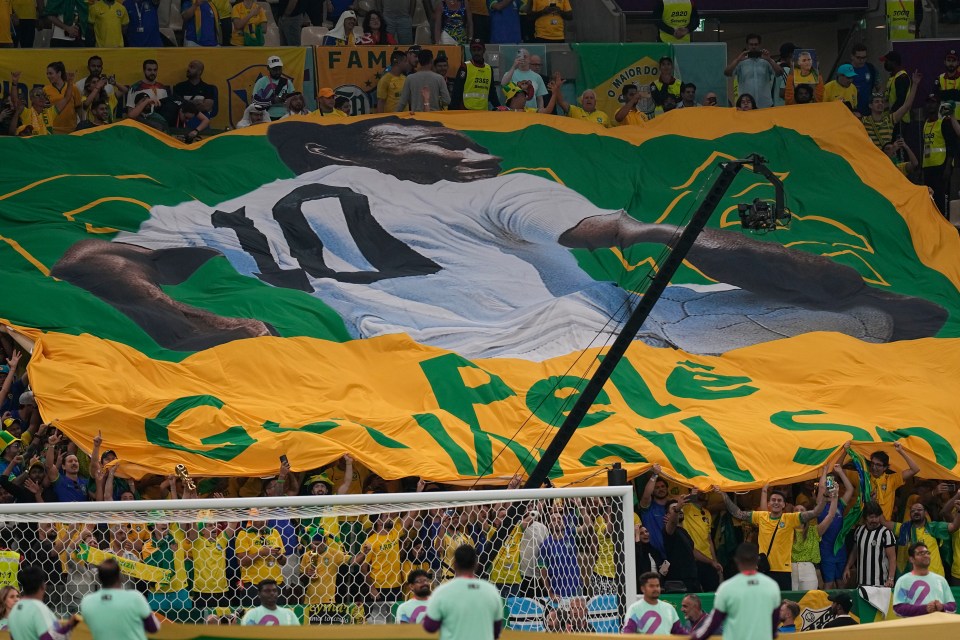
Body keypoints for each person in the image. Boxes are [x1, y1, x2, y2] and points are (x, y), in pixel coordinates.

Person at [51, 118, 949, 362]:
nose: (462, 147)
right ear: (337, 145)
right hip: (606, 342)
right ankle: (875, 321)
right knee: (876, 325)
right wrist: (850, 293)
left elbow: (87, 259)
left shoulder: (228, 212)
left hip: (448, 355)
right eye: (435, 136)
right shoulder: (480, 188)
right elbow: (646, 236)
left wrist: (189, 321)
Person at [722, 475, 827, 591]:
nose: (776, 502)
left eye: (779, 500)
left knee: (783, 605)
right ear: (769, 504)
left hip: (784, 571)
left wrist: (825, 497)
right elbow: (738, 513)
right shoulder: (761, 516)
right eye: (773, 500)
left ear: (784, 505)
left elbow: (816, 512)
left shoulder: (791, 519)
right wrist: (723, 494)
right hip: (764, 569)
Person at [692, 543, 781, 640]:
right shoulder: (771, 586)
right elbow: (774, 620)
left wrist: (695, 637)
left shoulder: (727, 588)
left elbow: (714, 622)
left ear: (737, 561)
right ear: (757, 560)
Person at [423, 545, 502, 640]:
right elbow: (497, 630)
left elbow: (430, 627)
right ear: (476, 565)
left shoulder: (442, 592)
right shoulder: (491, 591)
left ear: (454, 564)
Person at [80, 558, 160, 640]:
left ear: (99, 578)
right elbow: (153, 628)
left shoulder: (87, 601)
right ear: (120, 577)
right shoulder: (135, 598)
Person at [7, 565, 81, 640]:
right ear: (43, 586)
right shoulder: (37, 608)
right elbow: (47, 638)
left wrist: (68, 626)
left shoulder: (14, 610)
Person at [893, 542, 956, 616]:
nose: (926, 556)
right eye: (921, 553)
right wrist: (925, 609)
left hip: (938, 625)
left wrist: (942, 607)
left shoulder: (940, 580)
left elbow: (952, 606)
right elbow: (898, 608)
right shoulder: (903, 581)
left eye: (927, 553)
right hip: (916, 626)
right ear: (911, 559)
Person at [724, 34, 780, 109]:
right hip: (746, 106)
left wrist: (769, 60)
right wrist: (737, 60)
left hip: (765, 105)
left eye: (756, 44)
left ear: (759, 45)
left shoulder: (766, 60)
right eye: (751, 44)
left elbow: (780, 73)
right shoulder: (741, 61)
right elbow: (727, 73)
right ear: (747, 45)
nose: (753, 47)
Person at [451, 39, 499, 111]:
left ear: (484, 50)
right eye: (474, 50)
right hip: (466, 109)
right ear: (470, 51)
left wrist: (498, 106)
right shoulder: (464, 67)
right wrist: (454, 110)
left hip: (483, 111)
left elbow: (492, 92)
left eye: (479, 50)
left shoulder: (489, 69)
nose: (476, 52)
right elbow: (457, 90)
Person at [253, 56, 295, 120]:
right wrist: (273, 101)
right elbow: (255, 102)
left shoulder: (287, 82)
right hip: (266, 116)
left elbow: (294, 101)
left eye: (279, 69)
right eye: (275, 69)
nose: (278, 72)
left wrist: (287, 99)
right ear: (268, 68)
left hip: (286, 116)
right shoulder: (261, 82)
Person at [849, 44, 878, 116]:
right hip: (851, 112)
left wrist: (876, 100)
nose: (861, 60)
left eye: (864, 57)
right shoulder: (846, 70)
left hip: (868, 111)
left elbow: (879, 86)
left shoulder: (870, 68)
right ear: (852, 56)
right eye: (858, 57)